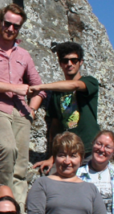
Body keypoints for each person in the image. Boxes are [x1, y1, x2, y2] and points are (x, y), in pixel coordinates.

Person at [0, 3, 46, 205]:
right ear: (0, 23)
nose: (11, 29)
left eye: (16, 26)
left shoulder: (24, 55)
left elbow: (39, 86)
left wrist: (32, 109)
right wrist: (14, 88)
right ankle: (3, 202)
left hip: (21, 112)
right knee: (7, 148)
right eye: (8, 24)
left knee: (21, 164)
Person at [31, 42, 100, 173]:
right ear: (60, 63)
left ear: (81, 62)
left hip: (88, 149)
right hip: (66, 152)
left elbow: (75, 85)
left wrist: (41, 87)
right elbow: (55, 126)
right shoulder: (56, 93)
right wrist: (52, 156)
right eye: (65, 60)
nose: (69, 64)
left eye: (74, 60)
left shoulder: (90, 82)